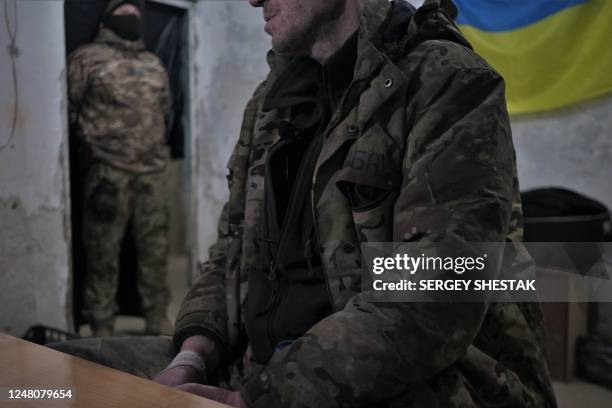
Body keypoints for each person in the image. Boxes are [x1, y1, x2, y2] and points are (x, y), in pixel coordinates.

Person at [54, 0, 556, 407]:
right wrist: (193, 352)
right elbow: (231, 251)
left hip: (420, 381)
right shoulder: (272, 102)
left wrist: (259, 397)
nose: (252, 0)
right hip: (261, 369)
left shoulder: (446, 81)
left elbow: (432, 302)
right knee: (41, 381)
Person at [67, 0, 173, 336]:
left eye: (136, 14)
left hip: (153, 172)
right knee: (102, 252)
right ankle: (101, 326)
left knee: (155, 251)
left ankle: (157, 320)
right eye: (125, 13)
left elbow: (166, 111)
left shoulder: (154, 63)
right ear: (109, 17)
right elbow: (68, 109)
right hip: (107, 172)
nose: (133, 18)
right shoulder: (86, 58)